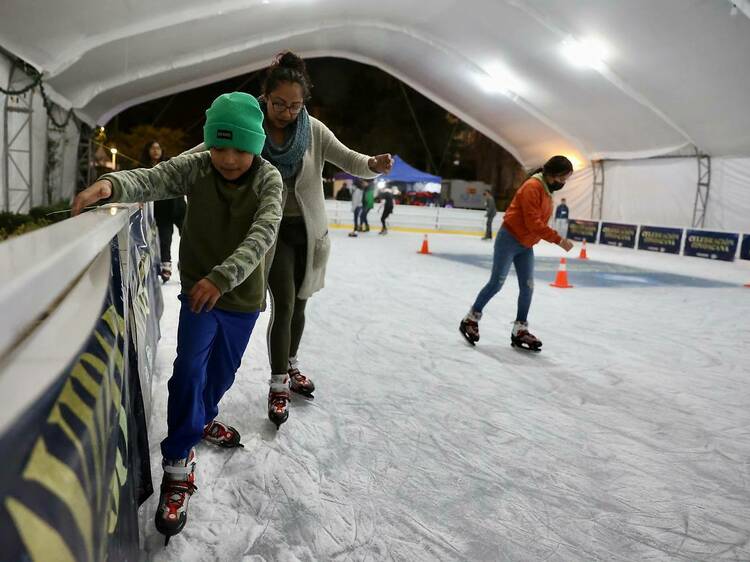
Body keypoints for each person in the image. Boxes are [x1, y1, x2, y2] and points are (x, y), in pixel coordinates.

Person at [71, 92, 283, 541]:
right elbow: (153, 178)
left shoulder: (269, 180)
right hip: (200, 296)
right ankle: (177, 464)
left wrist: (223, 278)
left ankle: (202, 419)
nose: (227, 159)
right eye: (219, 147)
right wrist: (110, 186)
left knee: (220, 377)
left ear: (256, 147)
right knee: (188, 368)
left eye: (239, 149)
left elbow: (263, 234)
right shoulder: (198, 166)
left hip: (241, 298)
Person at [259, 52, 393, 428]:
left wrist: (372, 164)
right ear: (265, 96)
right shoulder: (250, 125)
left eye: (295, 105)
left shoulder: (312, 129)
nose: (286, 112)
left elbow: (348, 158)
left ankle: (291, 363)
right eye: (279, 104)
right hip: (271, 233)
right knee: (283, 303)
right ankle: (277, 383)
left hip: (309, 231)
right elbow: (205, 155)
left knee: (300, 303)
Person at [459, 156, 575, 351]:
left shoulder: (546, 190)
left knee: (528, 287)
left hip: (526, 245)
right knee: (496, 283)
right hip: (510, 239)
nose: (563, 183)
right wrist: (559, 240)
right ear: (552, 174)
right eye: (563, 178)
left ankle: (520, 329)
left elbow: (536, 224)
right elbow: (533, 223)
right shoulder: (533, 187)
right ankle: (470, 319)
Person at [141, 140, 187, 282]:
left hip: (179, 206)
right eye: (153, 148)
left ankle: (185, 264)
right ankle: (166, 266)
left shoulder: (168, 163)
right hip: (162, 210)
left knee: (188, 236)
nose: (156, 151)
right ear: (148, 151)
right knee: (165, 239)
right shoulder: (143, 168)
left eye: (158, 148)